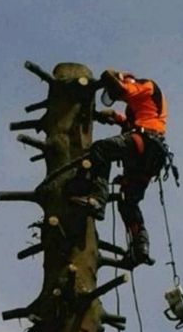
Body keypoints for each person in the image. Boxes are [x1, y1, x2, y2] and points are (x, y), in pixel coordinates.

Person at [70, 69, 170, 266]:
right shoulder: (137, 107)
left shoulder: (145, 85)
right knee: (128, 201)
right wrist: (115, 117)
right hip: (150, 156)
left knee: (101, 149)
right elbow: (134, 121)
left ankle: (97, 199)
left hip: (146, 143)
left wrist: (110, 75)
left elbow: (121, 89)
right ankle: (140, 247)